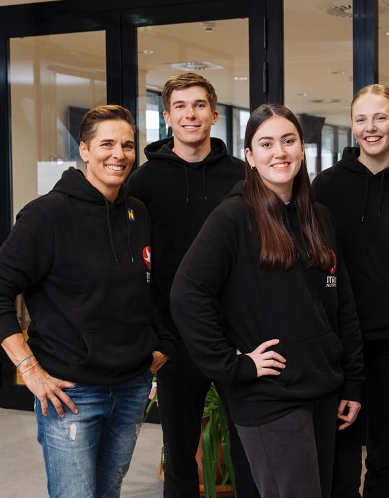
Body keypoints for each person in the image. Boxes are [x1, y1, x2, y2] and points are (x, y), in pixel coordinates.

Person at [0, 105, 173, 497]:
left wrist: (161, 339)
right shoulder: (46, 215)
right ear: (84, 149)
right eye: (107, 144)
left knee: (108, 491)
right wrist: (29, 368)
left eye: (127, 145)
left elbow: (148, 286)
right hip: (72, 392)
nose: (119, 155)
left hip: (131, 386)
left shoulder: (136, 212)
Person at [169, 103, 364, 498]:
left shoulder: (319, 217)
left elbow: (341, 304)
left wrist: (352, 382)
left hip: (322, 387)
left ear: (302, 148)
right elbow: (187, 294)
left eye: (288, 141)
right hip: (268, 395)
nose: (280, 152)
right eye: (266, 143)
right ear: (250, 156)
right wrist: (233, 364)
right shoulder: (232, 218)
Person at [126, 72, 257, 498]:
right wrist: (153, 335)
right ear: (166, 116)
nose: (190, 114)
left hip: (236, 334)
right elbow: (135, 264)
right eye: (180, 106)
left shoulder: (243, 178)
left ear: (214, 114)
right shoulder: (142, 183)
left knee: (248, 450)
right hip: (175, 339)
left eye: (199, 105)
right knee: (179, 455)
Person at [311, 83, 389, 498]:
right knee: (340, 450)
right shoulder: (326, 186)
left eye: (380, 117)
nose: (371, 127)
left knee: (387, 454)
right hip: (338, 342)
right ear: (352, 126)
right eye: (361, 119)